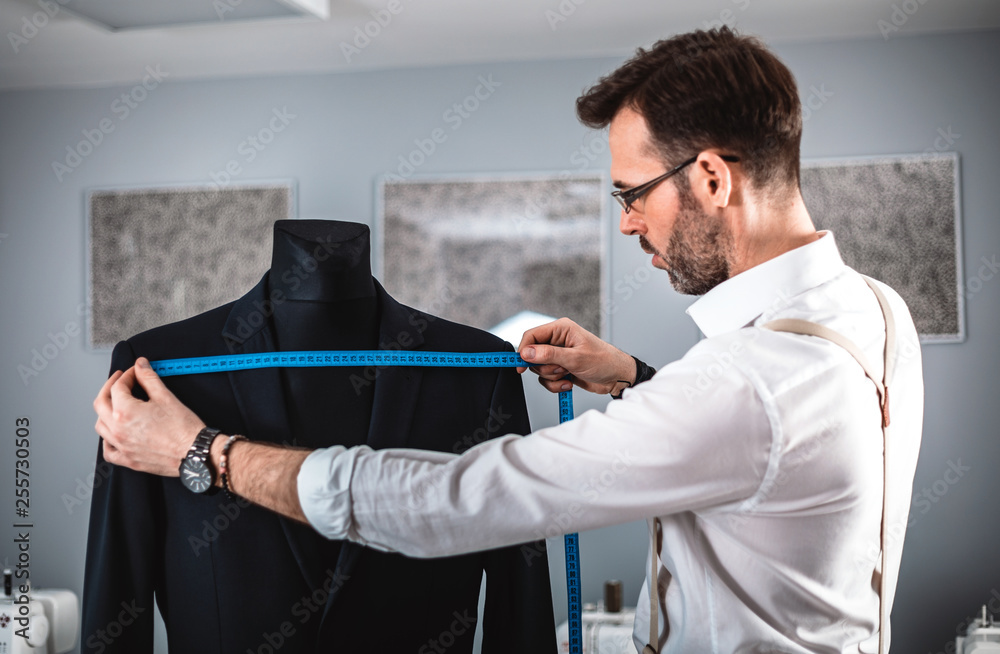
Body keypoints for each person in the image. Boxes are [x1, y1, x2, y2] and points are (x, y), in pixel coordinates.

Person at [93, 27, 924, 653]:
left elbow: (462, 504)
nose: (630, 221)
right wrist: (637, 378)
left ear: (712, 176)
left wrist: (206, 452)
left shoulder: (746, 383)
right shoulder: (874, 313)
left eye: (632, 193)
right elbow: (771, 437)